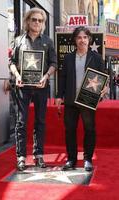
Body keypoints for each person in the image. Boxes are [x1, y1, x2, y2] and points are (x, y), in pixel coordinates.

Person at [9, 8, 57, 171]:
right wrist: (17, 75)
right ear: (28, 21)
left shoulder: (48, 41)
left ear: (43, 24)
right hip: (23, 87)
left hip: (41, 87)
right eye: (34, 19)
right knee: (21, 122)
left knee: (40, 121)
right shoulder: (18, 41)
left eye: (40, 20)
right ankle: (21, 156)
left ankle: (39, 155)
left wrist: (46, 76)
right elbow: (12, 62)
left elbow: (53, 63)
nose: (37, 23)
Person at [55, 26, 108, 171]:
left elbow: (103, 78)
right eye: (79, 37)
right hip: (71, 100)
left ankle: (87, 159)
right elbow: (62, 78)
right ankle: (71, 159)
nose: (82, 40)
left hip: (87, 100)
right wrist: (59, 96)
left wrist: (105, 88)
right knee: (70, 130)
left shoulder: (96, 58)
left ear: (89, 39)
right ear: (75, 40)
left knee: (89, 129)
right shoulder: (68, 58)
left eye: (85, 37)